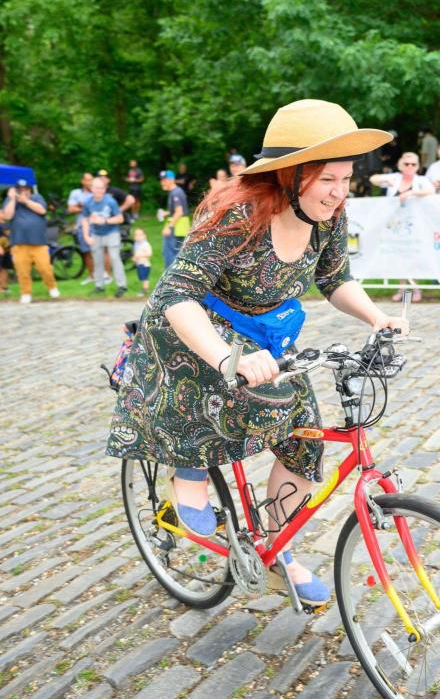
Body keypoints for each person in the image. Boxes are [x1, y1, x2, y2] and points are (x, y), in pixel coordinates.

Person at [107, 98, 407, 606]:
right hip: (192, 325)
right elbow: (176, 295)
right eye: (327, 179)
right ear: (290, 175)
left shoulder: (329, 215)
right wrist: (227, 357)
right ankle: (189, 473)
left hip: (261, 332)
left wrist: (377, 317)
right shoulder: (237, 214)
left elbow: (334, 279)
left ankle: (279, 550)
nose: (339, 192)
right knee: (235, 398)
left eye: (345, 178)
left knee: (303, 430)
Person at [369, 151, 435, 302]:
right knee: (399, 256)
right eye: (406, 164)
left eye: (413, 164)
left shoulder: (421, 180)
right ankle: (403, 289)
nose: (410, 166)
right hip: (395, 225)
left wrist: (412, 192)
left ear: (418, 166)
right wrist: (385, 181)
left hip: (415, 224)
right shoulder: (394, 178)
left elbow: (431, 190)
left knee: (414, 256)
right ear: (400, 165)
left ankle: (415, 289)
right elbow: (373, 179)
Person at [1, 179, 60, 304]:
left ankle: (52, 287)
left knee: (45, 268)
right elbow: (7, 216)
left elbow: (42, 210)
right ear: (15, 190)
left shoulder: (37, 197)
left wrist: (26, 201)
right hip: (19, 243)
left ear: (29, 190)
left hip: (39, 242)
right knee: (22, 271)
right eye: (20, 190)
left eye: (25, 189)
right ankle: (26, 293)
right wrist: (12, 199)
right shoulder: (10, 200)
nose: (23, 192)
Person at [81, 176, 128, 298]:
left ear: (104, 189)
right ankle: (99, 286)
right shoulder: (88, 202)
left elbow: (120, 218)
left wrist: (105, 221)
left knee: (114, 258)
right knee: (97, 260)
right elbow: (85, 220)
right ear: (91, 188)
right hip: (96, 234)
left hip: (112, 232)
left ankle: (122, 286)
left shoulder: (110, 201)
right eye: (96, 188)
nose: (99, 190)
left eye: (101, 188)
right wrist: (86, 236)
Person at [67, 172, 95, 284]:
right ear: (83, 181)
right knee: (86, 252)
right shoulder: (76, 193)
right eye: (87, 180)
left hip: (97, 226)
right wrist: (85, 207)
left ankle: (104, 275)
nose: (90, 182)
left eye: (91, 180)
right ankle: (91, 275)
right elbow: (70, 209)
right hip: (82, 226)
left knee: (99, 251)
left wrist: (81, 206)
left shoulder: (97, 191)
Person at [158, 170, 190, 269]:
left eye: (165, 180)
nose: (162, 182)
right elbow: (180, 210)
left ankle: (170, 278)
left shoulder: (175, 193)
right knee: (178, 253)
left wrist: (169, 227)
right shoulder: (177, 191)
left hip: (176, 228)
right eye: (161, 180)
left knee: (169, 253)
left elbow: (179, 212)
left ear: (172, 180)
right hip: (180, 227)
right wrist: (167, 213)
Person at [132, 227, 153, 296]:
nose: (138, 237)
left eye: (140, 235)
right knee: (141, 277)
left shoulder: (145, 244)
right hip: (139, 264)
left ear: (144, 236)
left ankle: (145, 289)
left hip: (145, 264)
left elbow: (149, 253)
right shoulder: (136, 244)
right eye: (136, 235)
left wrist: (140, 255)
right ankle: (143, 288)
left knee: (145, 278)